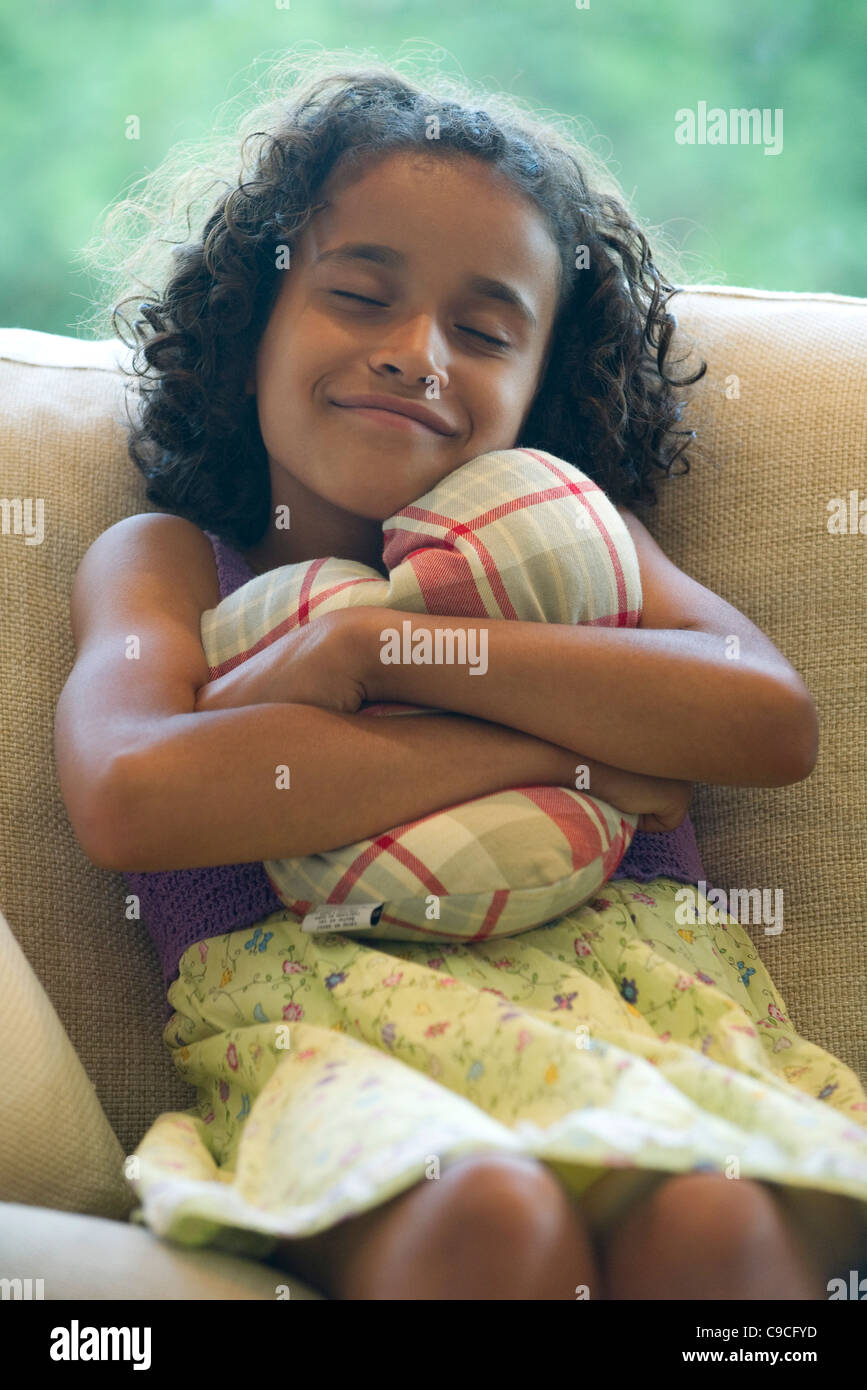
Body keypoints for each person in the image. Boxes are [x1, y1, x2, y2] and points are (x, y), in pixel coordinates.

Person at [56, 51, 867, 1300]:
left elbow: (767, 717)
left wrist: (374, 650)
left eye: (484, 332)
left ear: (542, 388)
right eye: (359, 294)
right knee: (487, 1215)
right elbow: (135, 794)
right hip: (346, 1053)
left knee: (712, 1230)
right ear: (250, 319)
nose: (418, 353)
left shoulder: (590, 546)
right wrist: (565, 750)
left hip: (645, 1023)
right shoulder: (172, 567)